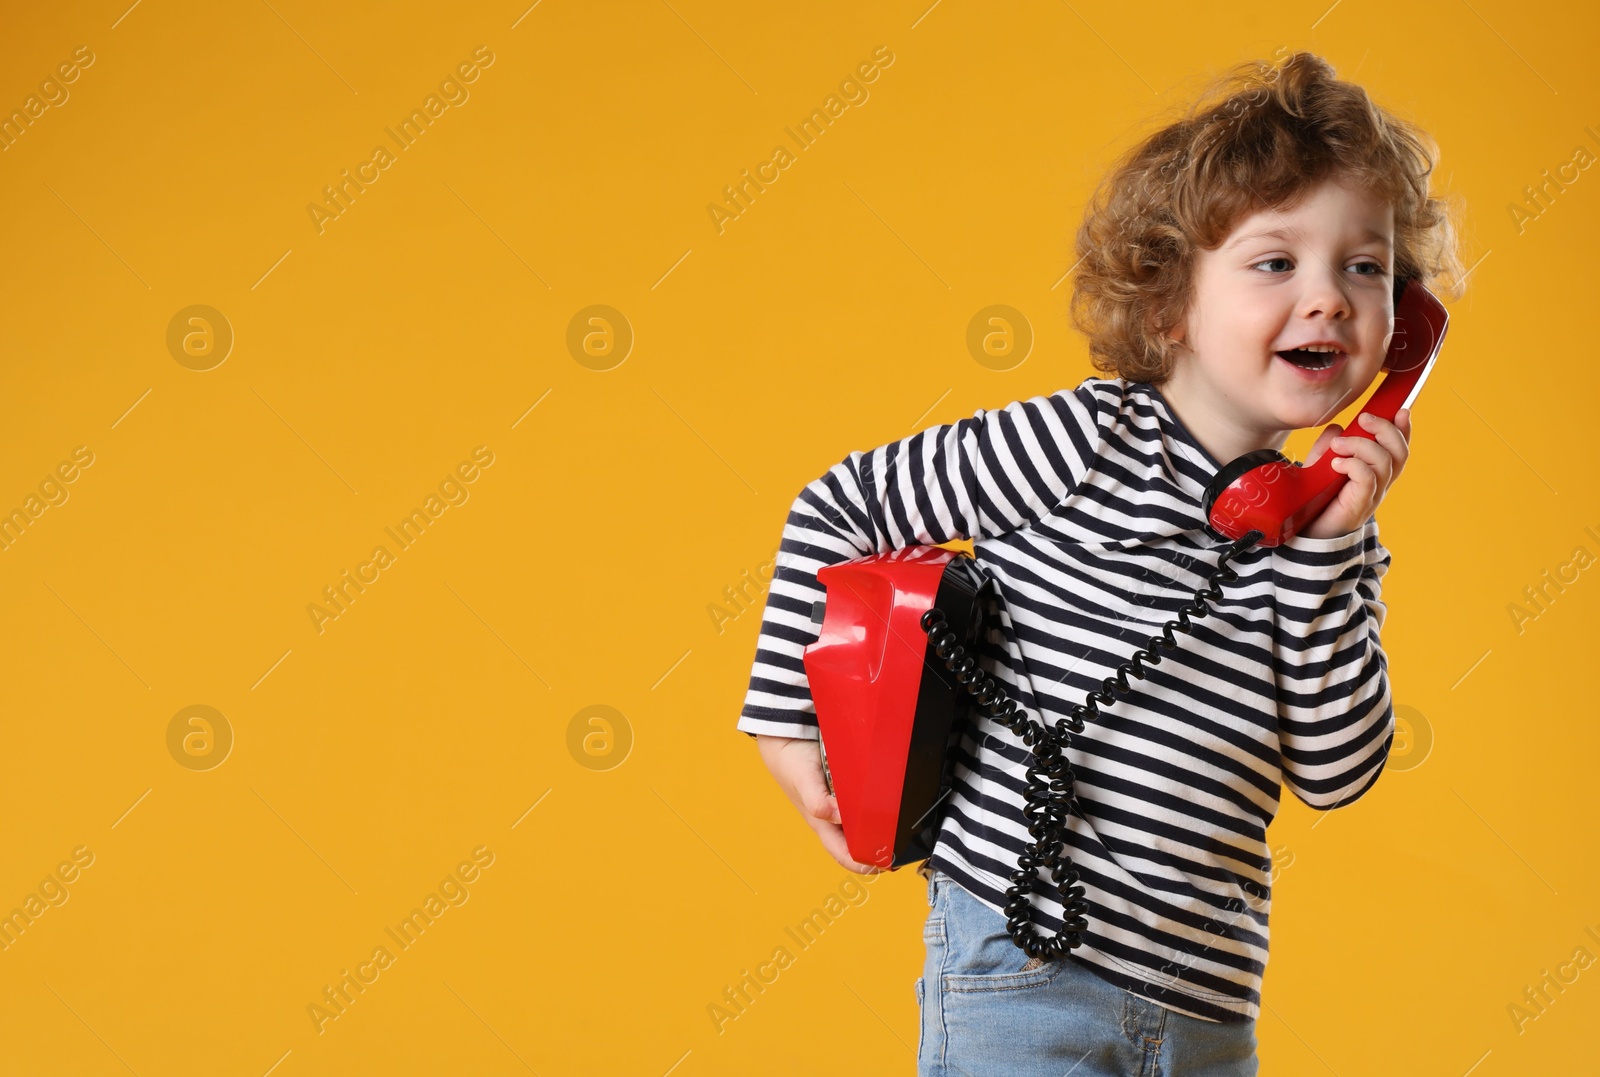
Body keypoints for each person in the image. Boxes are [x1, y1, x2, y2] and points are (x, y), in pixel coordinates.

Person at [736, 50, 1464, 1075]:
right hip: (1024, 959)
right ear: (1168, 302)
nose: (1332, 299)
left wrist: (1329, 545)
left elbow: (1338, 773)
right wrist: (784, 722)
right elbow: (840, 503)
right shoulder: (1083, 445)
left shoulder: (1327, 535)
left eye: (1365, 266)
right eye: (1274, 263)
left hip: (1207, 1001)